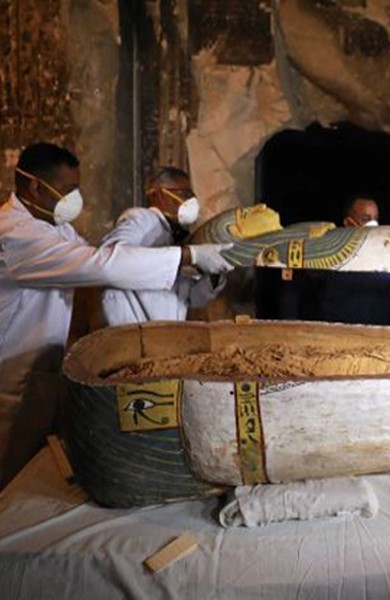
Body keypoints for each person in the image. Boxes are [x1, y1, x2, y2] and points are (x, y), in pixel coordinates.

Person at [0, 142, 232, 486]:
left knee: (29, 476)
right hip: (10, 376)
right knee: (9, 475)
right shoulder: (14, 235)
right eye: (67, 190)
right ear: (35, 186)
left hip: (39, 372)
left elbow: (107, 264)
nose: (74, 198)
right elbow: (104, 264)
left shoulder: (56, 229)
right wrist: (189, 256)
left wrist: (199, 265)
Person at [100, 167, 226, 326]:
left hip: (164, 338)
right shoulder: (142, 220)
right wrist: (187, 255)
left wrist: (215, 271)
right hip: (133, 335)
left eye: (191, 195)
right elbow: (110, 259)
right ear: (158, 194)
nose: (190, 201)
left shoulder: (173, 236)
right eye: (184, 194)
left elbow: (191, 299)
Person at [313, 194, 390, 325]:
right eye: (365, 219)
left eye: (376, 219)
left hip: (375, 336)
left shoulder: (389, 256)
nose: (373, 224)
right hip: (335, 335)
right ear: (348, 223)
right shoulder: (330, 254)